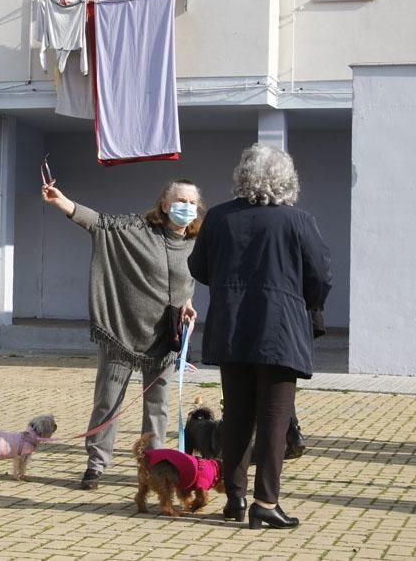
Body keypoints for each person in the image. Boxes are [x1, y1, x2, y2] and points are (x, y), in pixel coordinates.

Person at [188, 144, 331, 528]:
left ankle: (234, 498)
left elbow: (198, 267)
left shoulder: (217, 218)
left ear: (242, 175)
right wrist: (307, 301)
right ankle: (265, 502)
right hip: (280, 332)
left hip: (232, 329)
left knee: (236, 416)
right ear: (287, 180)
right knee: (274, 420)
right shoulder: (298, 221)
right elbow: (321, 274)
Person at [42, 178, 203, 489]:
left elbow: (186, 283)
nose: (187, 207)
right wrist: (62, 202)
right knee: (108, 402)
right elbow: (98, 224)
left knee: (158, 406)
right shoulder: (137, 230)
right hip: (123, 333)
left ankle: (155, 465)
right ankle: (96, 464)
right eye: (180, 201)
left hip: (165, 339)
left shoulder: (195, 244)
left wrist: (188, 304)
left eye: (192, 203)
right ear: (165, 205)